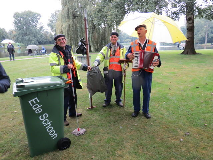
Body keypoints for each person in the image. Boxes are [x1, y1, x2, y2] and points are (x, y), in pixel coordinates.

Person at [49, 34, 91, 126]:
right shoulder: (54, 53)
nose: (62, 41)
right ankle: (62, 118)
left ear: (66, 40)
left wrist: (85, 67)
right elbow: (53, 68)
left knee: (73, 97)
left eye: (63, 39)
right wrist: (65, 67)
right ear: (56, 42)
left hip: (72, 78)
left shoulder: (68, 50)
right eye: (59, 40)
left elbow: (75, 63)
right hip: (62, 80)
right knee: (64, 100)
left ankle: (72, 113)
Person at [125, 24, 161, 118]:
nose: (138, 31)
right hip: (136, 71)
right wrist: (128, 55)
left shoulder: (152, 44)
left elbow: (157, 57)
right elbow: (127, 53)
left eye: (140, 29)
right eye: (137, 30)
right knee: (136, 91)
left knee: (146, 92)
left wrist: (158, 62)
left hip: (148, 72)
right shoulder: (133, 44)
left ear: (145, 31)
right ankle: (136, 110)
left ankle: (146, 111)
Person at [93, 32, 127, 107]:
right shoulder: (106, 48)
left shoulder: (122, 48)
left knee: (119, 87)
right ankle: (107, 101)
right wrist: (97, 62)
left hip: (118, 71)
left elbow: (126, 59)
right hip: (108, 71)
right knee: (108, 87)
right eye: (112, 37)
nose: (113, 38)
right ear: (110, 38)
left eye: (115, 37)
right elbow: (100, 55)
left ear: (117, 38)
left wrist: (125, 66)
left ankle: (118, 100)